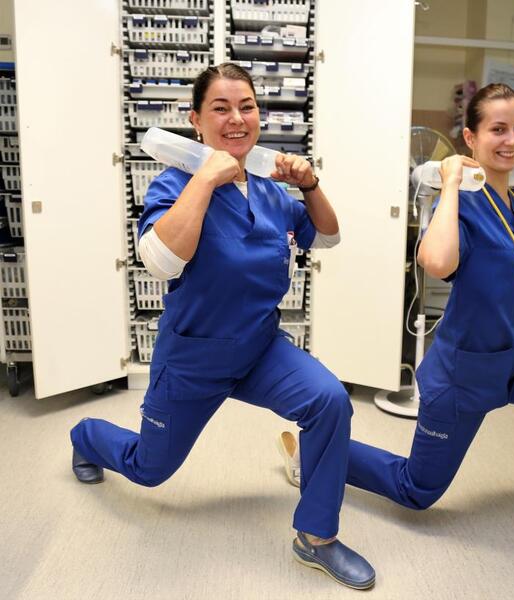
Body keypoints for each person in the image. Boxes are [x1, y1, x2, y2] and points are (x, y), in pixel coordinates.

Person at [279, 83, 514, 561]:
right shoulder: (462, 208)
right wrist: (450, 184)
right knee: (417, 490)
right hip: (463, 375)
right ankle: (312, 456)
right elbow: (435, 261)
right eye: (498, 130)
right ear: (471, 138)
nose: (511, 140)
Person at [69, 63, 375, 590]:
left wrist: (310, 185)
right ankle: (86, 437)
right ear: (196, 121)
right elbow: (160, 261)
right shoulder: (174, 183)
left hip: (260, 349)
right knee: (149, 469)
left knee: (328, 400)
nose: (237, 118)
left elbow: (327, 237)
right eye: (221, 108)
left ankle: (316, 536)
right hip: (195, 359)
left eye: (247, 107)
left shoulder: (271, 191)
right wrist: (207, 177)